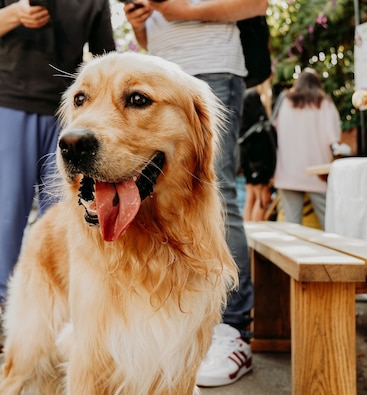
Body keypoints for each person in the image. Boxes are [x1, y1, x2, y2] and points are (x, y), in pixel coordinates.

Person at [124, 0, 267, 387]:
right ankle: (177, 321)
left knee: (214, 192)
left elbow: (257, 3)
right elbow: (154, 32)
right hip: (159, 73)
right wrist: (141, 24)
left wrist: (177, 9)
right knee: (153, 194)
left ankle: (231, 330)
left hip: (214, 69)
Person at [0, 0, 115, 353]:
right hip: (9, 102)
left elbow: (106, 58)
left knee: (68, 216)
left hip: (67, 112)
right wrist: (15, 14)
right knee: (6, 214)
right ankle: (4, 310)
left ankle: (68, 312)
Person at [273, 67, 341, 228]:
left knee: (292, 226)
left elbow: (274, 130)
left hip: (288, 171)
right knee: (329, 223)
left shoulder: (285, 101)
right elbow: (334, 138)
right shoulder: (324, 103)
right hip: (317, 173)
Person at [238, 87, 275, 222]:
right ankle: (255, 232)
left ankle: (247, 234)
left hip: (248, 170)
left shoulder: (243, 129)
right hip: (260, 171)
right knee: (262, 200)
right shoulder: (262, 128)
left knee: (250, 199)